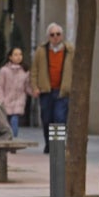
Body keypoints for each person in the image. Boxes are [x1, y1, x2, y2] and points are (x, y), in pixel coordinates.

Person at [30, 23, 72, 154]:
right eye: (52, 35)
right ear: (48, 36)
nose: (55, 37)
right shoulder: (41, 51)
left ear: (62, 35)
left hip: (62, 90)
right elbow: (34, 70)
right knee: (47, 118)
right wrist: (35, 87)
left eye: (58, 34)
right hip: (46, 90)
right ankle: (49, 143)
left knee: (60, 118)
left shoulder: (69, 50)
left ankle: (57, 146)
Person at [0, 47, 32, 138]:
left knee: (14, 120)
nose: (19, 57)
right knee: (6, 124)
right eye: (16, 55)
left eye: (20, 54)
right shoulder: (4, 70)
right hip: (6, 100)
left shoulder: (25, 71)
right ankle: (7, 140)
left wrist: (33, 92)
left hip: (19, 100)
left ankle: (13, 141)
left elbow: (27, 86)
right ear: (10, 57)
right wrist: (1, 100)